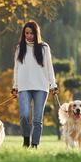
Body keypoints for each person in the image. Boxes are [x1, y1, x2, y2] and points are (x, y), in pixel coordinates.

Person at [12, 20, 58, 149]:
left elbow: (49, 67)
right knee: (24, 115)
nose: (29, 36)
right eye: (26, 33)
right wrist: (15, 86)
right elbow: (16, 68)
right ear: (24, 34)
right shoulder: (19, 48)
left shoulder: (44, 47)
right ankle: (26, 140)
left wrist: (53, 85)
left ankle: (35, 144)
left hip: (41, 87)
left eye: (31, 33)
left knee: (37, 119)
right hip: (24, 87)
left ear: (36, 33)